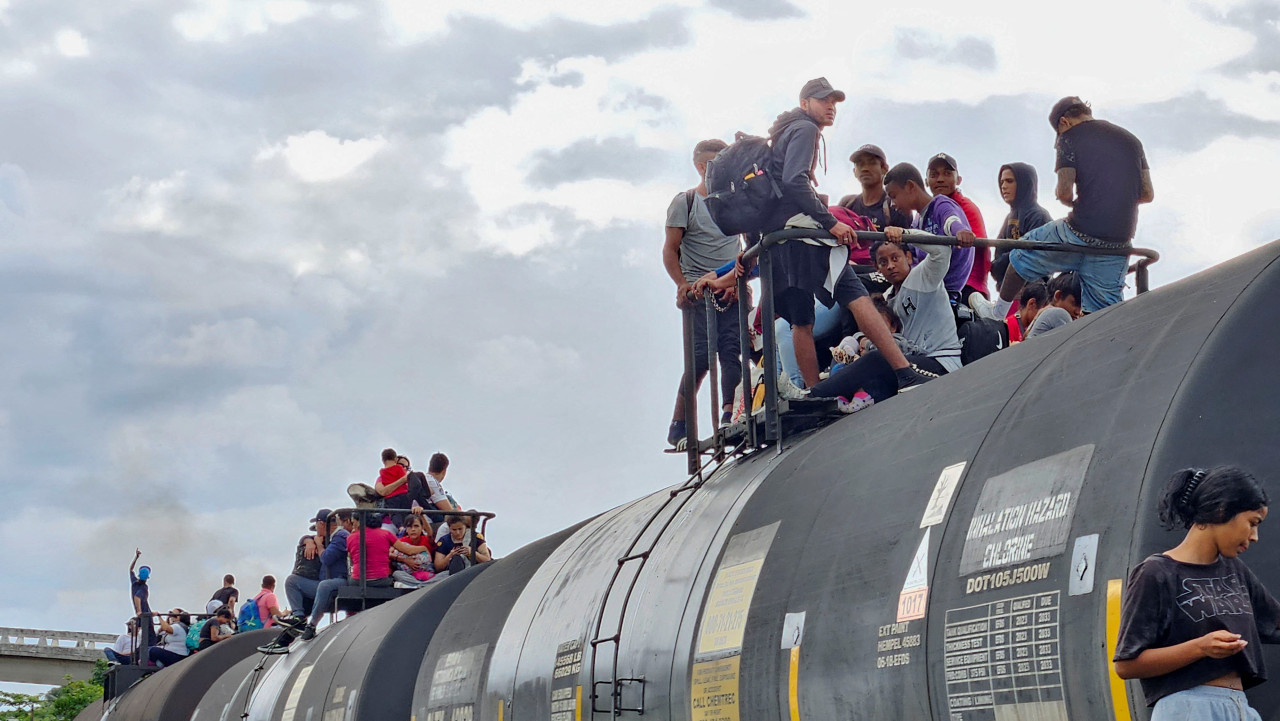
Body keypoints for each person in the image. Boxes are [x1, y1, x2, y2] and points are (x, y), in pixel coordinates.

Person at [726, 77, 928, 392]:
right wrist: (830, 222)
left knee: (801, 321)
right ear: (805, 104)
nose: (831, 107)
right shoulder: (805, 129)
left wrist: (751, 248)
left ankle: (813, 393)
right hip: (804, 234)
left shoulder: (782, 134)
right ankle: (903, 372)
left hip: (780, 240)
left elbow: (770, 193)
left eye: (834, 101)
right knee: (857, 295)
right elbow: (794, 181)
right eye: (823, 100)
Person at [1114, 466, 1280, 718]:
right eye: (1252, 523)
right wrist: (1201, 647)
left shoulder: (1235, 570)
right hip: (1188, 708)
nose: (1255, 536)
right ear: (1223, 510)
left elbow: (1274, 622)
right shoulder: (1156, 573)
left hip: (1239, 708)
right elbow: (1126, 665)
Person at [972, 96, 1154, 319]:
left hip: (1078, 232)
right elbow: (1146, 194)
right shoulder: (1132, 141)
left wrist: (1078, 201)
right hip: (1117, 241)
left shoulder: (1069, 138)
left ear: (1064, 123)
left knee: (1021, 253)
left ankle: (996, 313)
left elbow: (1065, 192)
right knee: (1103, 315)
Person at [809, 231, 962, 407]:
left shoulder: (924, 277)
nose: (890, 266)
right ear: (877, 268)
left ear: (909, 257)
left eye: (895, 258)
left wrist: (905, 234)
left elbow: (942, 250)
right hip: (908, 361)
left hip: (941, 363)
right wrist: (858, 340)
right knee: (845, 351)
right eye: (883, 262)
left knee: (876, 359)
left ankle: (812, 396)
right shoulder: (887, 296)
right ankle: (829, 402)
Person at [664, 138, 746, 445]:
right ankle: (679, 423)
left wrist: (737, 283)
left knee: (731, 351)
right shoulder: (685, 202)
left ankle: (730, 414)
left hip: (732, 288)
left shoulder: (737, 200)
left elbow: (748, 248)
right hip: (698, 293)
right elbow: (671, 250)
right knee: (699, 360)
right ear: (701, 167)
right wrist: (682, 284)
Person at [925, 153, 985, 299]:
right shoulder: (924, 212)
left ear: (958, 180)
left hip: (966, 288)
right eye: (934, 175)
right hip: (933, 284)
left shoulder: (967, 208)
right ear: (926, 181)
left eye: (947, 174)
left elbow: (977, 245)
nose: (940, 179)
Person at [837, 143, 914, 253]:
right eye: (860, 164)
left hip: (883, 267)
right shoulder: (847, 203)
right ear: (854, 171)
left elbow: (907, 248)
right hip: (848, 266)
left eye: (872, 163)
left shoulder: (896, 204)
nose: (865, 168)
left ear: (884, 169)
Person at [992, 162, 1053, 286]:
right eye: (1002, 182)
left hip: (1033, 292)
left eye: (1009, 181)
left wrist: (1008, 260)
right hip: (1007, 289)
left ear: (1024, 183)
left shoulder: (1039, 216)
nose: (1003, 186)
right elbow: (996, 264)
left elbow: (1031, 259)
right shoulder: (1009, 217)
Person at [284, 509, 331, 619]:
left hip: (327, 586)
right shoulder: (323, 539)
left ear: (321, 524)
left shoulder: (332, 541)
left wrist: (317, 544)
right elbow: (304, 538)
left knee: (291, 581)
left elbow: (326, 558)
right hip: (324, 583)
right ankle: (299, 615)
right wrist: (308, 540)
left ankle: (298, 617)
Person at [1025, 272, 1083, 339]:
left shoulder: (1047, 313)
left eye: (1081, 306)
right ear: (1058, 296)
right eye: (1074, 303)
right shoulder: (1059, 313)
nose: (1078, 312)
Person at [391, 512, 437, 588]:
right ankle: (422, 587)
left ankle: (417, 586)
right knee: (396, 574)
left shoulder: (427, 539)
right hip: (409, 575)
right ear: (406, 529)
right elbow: (389, 553)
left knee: (445, 574)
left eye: (416, 526)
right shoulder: (401, 541)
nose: (413, 529)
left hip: (427, 574)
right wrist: (404, 560)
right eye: (409, 527)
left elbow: (430, 533)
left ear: (422, 528)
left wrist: (421, 515)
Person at [128, 549, 156, 653]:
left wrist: (136, 557)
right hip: (145, 613)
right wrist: (139, 611)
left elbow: (130, 569)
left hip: (142, 614)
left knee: (142, 635)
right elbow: (137, 597)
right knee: (150, 636)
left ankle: (139, 652)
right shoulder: (144, 587)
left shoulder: (134, 582)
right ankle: (146, 653)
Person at [375, 447, 411, 524]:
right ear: (395, 461)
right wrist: (402, 480)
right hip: (389, 520)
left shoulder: (409, 480)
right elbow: (383, 491)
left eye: (407, 467)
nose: (404, 468)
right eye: (401, 465)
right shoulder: (381, 477)